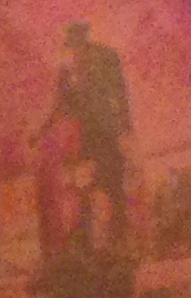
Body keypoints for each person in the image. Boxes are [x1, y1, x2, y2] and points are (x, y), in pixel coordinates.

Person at [43, 18, 133, 253]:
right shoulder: (67, 72)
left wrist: (126, 129)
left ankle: (119, 242)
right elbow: (61, 106)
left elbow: (121, 94)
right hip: (85, 140)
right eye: (73, 45)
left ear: (86, 40)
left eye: (80, 43)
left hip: (107, 135)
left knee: (114, 187)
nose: (77, 50)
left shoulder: (106, 58)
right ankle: (85, 245)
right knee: (84, 189)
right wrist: (42, 129)